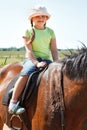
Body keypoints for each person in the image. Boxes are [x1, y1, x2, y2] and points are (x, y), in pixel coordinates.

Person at [8, 5, 58, 114]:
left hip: (46, 60)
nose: (41, 18)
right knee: (26, 74)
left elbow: (54, 50)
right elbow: (29, 51)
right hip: (32, 59)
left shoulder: (51, 32)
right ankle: (13, 102)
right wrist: (36, 63)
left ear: (47, 18)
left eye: (43, 16)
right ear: (32, 19)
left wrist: (57, 63)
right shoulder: (28, 31)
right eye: (37, 16)